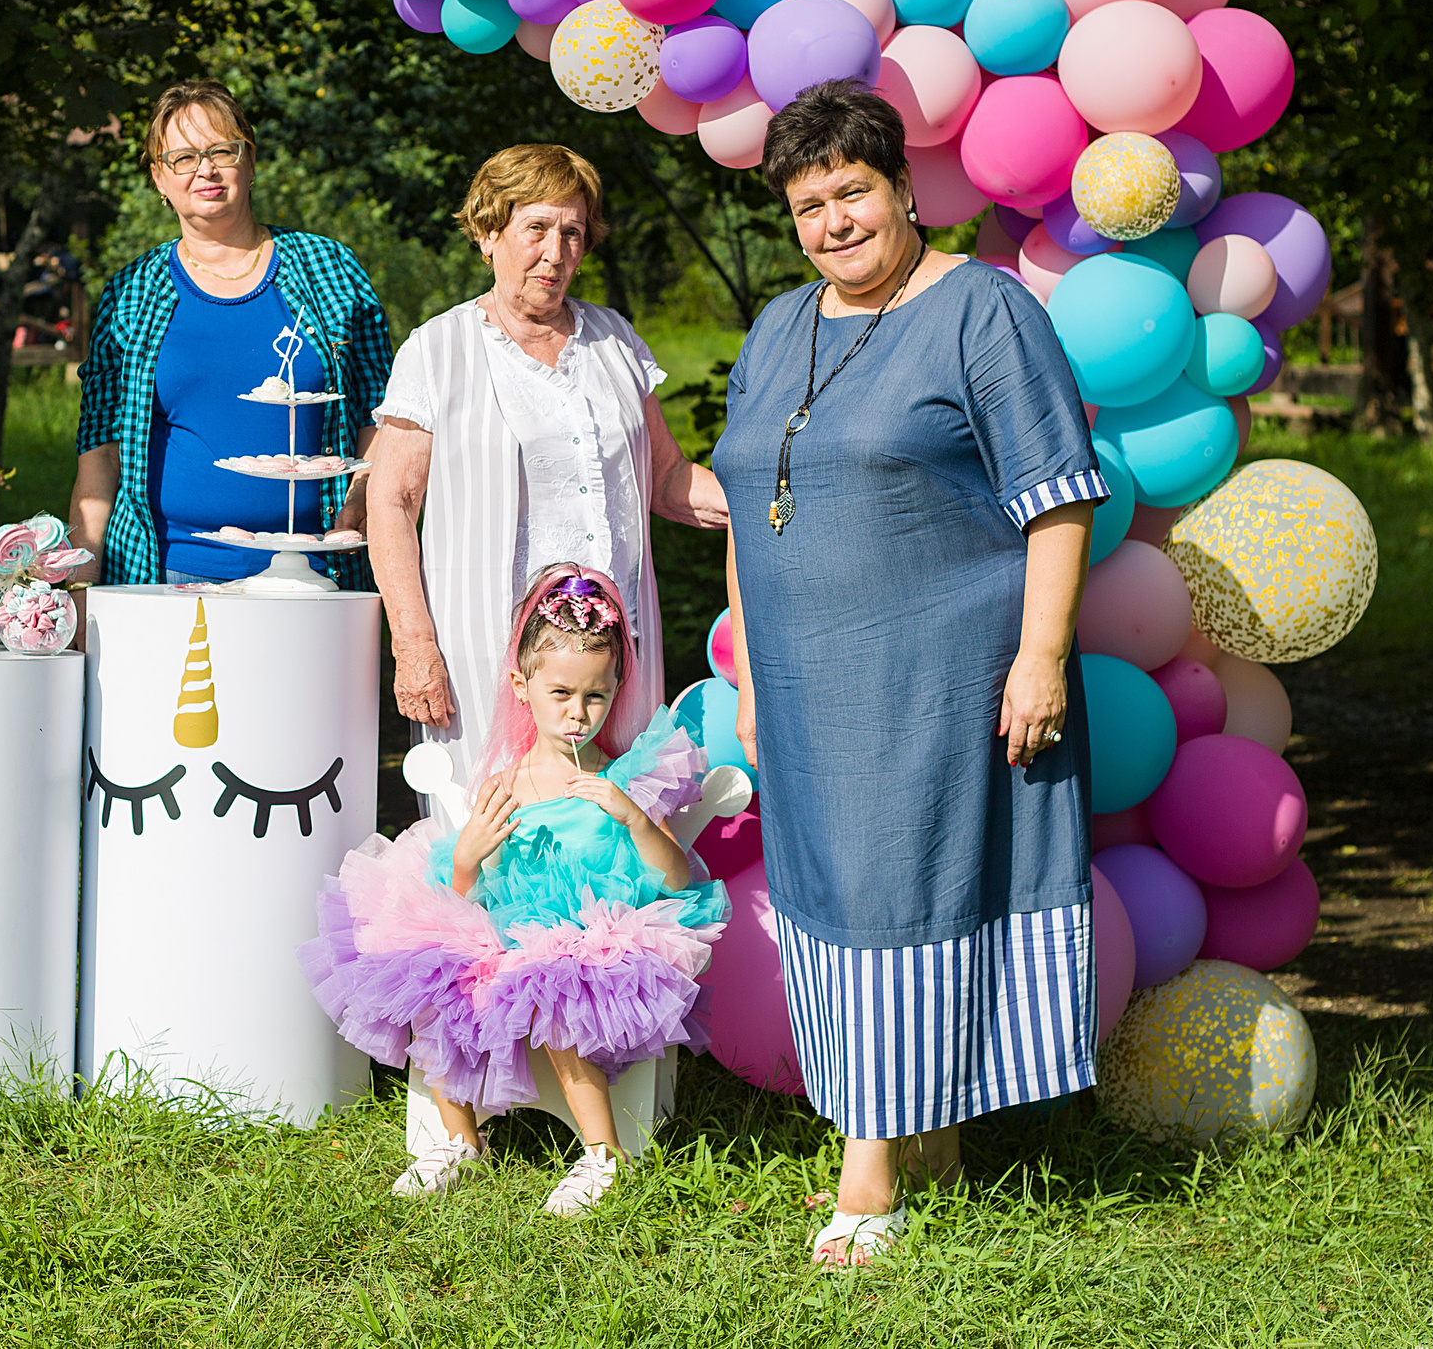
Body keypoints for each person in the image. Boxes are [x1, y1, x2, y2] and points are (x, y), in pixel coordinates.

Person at [713, 83, 1105, 1268]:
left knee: (901, 898)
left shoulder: (983, 311)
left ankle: (868, 1177)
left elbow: (1058, 495)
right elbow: (743, 499)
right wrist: (742, 667)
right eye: (806, 204)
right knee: (834, 908)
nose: (830, 222)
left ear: (904, 192)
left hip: (937, 678)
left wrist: (1039, 657)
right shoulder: (781, 325)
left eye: (850, 194)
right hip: (801, 682)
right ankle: (925, 1132)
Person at [302, 565, 727, 1216]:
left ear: (616, 687)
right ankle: (460, 1140)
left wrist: (635, 816)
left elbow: (674, 879)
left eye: (595, 695)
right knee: (431, 967)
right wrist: (469, 853)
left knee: (548, 977)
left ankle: (602, 1152)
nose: (578, 713)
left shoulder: (624, 778)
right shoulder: (505, 781)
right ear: (521, 686)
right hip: (499, 933)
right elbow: (464, 891)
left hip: (591, 944)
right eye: (561, 693)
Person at [366, 145, 726, 787]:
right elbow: (390, 503)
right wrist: (414, 645)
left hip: (613, 656)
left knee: (617, 830)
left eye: (573, 232)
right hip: (489, 655)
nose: (555, 253)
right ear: (487, 232)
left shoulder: (616, 340)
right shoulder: (437, 350)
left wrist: (778, 498)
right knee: (495, 838)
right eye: (536, 228)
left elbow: (668, 481)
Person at [71, 80, 392, 585]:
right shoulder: (132, 291)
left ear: (250, 160)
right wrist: (81, 575)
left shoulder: (331, 268)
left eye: (222, 150)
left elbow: (383, 413)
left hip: (319, 574)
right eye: (182, 158)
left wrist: (364, 497)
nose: (206, 169)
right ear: (158, 177)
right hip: (171, 574)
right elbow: (102, 447)